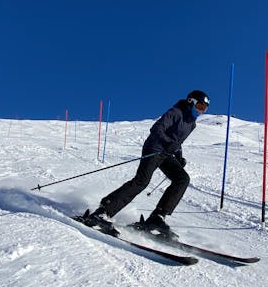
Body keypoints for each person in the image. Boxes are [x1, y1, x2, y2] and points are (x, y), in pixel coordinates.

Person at [81, 90, 210, 238]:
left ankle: (157, 218)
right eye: (200, 106)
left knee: (182, 179)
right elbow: (156, 129)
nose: (201, 111)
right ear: (190, 102)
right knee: (141, 181)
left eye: (204, 109)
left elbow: (177, 141)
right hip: (154, 148)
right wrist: (168, 143)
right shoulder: (176, 112)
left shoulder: (191, 124)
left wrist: (179, 156)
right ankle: (103, 212)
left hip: (166, 153)